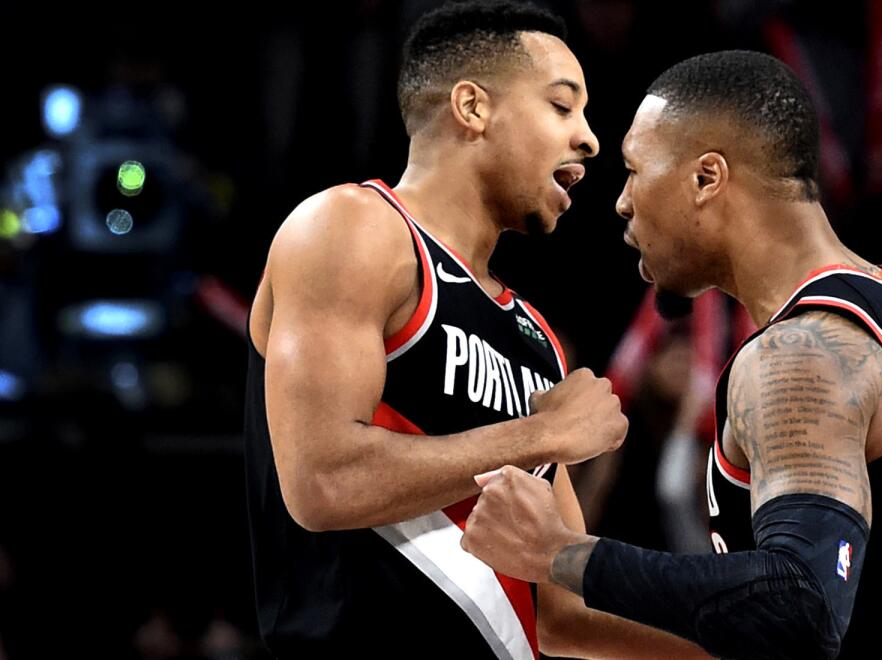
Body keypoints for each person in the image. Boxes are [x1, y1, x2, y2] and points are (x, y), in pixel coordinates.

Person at [462, 50, 882, 659]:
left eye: (635, 171)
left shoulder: (800, 353)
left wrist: (562, 553)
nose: (622, 203)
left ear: (706, 178)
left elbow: (800, 603)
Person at [243, 2, 704, 657]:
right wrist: (541, 435)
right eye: (561, 105)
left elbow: (563, 614)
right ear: (472, 107)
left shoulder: (535, 335)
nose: (589, 139)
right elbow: (323, 483)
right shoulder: (354, 228)